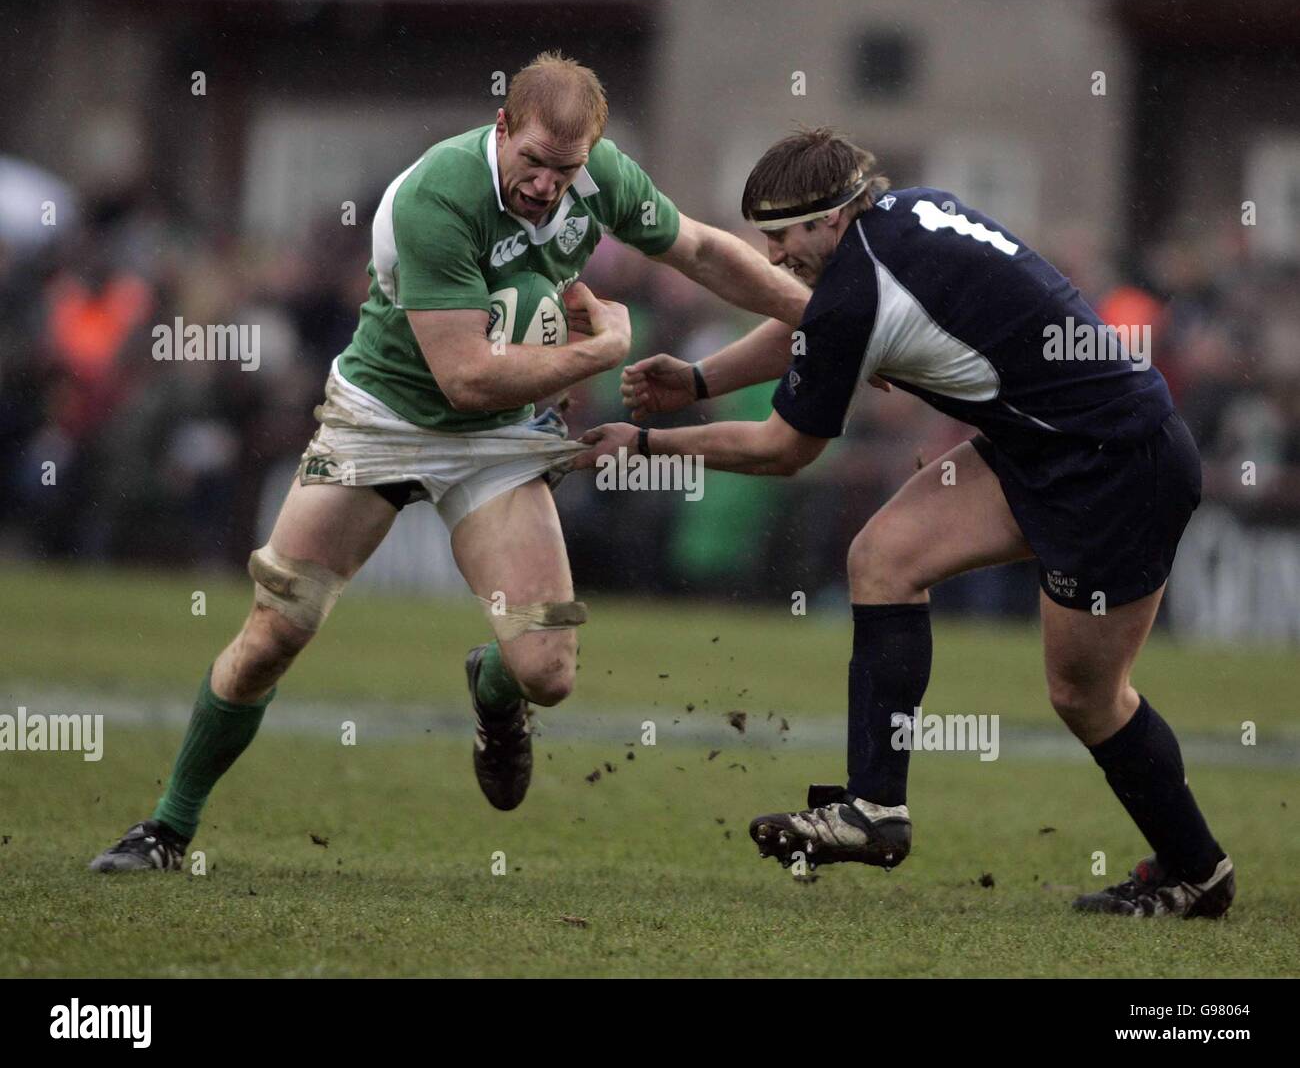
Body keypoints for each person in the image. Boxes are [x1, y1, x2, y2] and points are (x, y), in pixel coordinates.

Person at [90, 52, 807, 871]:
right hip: (383, 419)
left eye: (564, 170)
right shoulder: (439, 196)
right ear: (502, 128)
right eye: (532, 161)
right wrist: (605, 349)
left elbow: (704, 252)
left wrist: (823, 315)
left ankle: (493, 694)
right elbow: (463, 379)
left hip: (498, 438)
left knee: (547, 668)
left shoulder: (596, 174)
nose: (545, 184)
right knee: (273, 635)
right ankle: (167, 829)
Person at [576, 127, 1233, 919]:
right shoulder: (901, 215)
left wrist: (645, 443)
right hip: (1048, 446)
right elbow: (816, 322)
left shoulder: (860, 286)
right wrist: (700, 377)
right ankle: (874, 807)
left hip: (1117, 470)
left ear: (830, 218)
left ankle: (1197, 871)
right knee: (882, 557)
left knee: (1086, 696)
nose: (777, 257)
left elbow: (784, 449)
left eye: (784, 237)